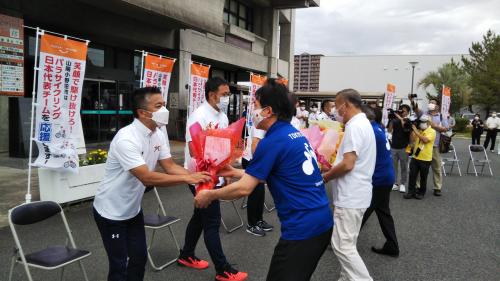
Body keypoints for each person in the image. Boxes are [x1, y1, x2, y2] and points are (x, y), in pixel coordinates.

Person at [194, 79, 333, 281]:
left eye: (255, 105)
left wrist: (210, 195)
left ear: (268, 111)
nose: (252, 109)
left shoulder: (273, 141)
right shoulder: (293, 134)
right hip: (320, 222)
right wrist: (233, 172)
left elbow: (244, 189)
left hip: (303, 229)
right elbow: (276, 174)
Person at [92, 87, 212, 281]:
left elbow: (170, 166)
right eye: (159, 106)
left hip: (132, 210)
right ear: (142, 112)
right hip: (110, 212)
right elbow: (146, 177)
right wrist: (188, 178)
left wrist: (197, 177)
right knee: (120, 265)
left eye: (164, 104)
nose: (164, 110)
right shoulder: (126, 138)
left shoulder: (157, 133)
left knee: (139, 259)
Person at [180, 77, 247, 281]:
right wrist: (212, 174)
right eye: (225, 94)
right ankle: (223, 269)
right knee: (212, 222)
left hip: (216, 174)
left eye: (228, 95)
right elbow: (194, 151)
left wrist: (223, 175)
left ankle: (186, 254)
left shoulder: (222, 116)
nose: (227, 98)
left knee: (199, 218)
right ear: (212, 94)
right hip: (200, 176)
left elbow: (223, 149)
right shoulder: (198, 116)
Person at [322, 89, 376, 281]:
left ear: (347, 105)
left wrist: (326, 177)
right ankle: (346, 278)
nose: (336, 110)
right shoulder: (363, 123)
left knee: (341, 245)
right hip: (357, 193)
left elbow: (348, 163)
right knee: (348, 243)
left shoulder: (355, 126)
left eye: (337, 106)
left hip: (351, 195)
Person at [360, 106, 399, 257]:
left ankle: (343, 240)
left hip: (378, 179)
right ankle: (392, 245)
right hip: (386, 177)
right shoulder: (378, 128)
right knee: (383, 212)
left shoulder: (370, 131)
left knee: (362, 211)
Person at [411, 97, 448, 196]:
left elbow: (445, 129)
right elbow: (416, 109)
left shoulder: (441, 117)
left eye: (433, 103)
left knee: (436, 167)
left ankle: (437, 187)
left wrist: (433, 125)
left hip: (435, 146)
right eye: (430, 102)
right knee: (419, 167)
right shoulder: (424, 114)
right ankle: (417, 186)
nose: (430, 104)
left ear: (437, 106)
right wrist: (412, 101)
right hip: (422, 145)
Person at [404, 115, 436, 199]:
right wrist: (412, 131)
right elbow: (412, 140)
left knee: (423, 177)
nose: (421, 124)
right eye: (421, 122)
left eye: (423, 122)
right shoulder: (419, 130)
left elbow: (425, 140)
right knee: (412, 175)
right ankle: (411, 192)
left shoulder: (432, 131)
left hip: (425, 158)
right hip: (415, 157)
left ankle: (422, 192)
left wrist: (416, 131)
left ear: (428, 123)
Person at [387, 104, 411, 193]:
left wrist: (400, 118)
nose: (402, 112)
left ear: (408, 112)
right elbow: (389, 130)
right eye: (400, 110)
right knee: (393, 166)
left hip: (404, 147)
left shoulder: (408, 121)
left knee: (404, 166)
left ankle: (403, 183)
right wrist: (391, 119)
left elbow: (406, 129)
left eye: (404, 111)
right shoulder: (395, 120)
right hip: (394, 146)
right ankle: (395, 183)